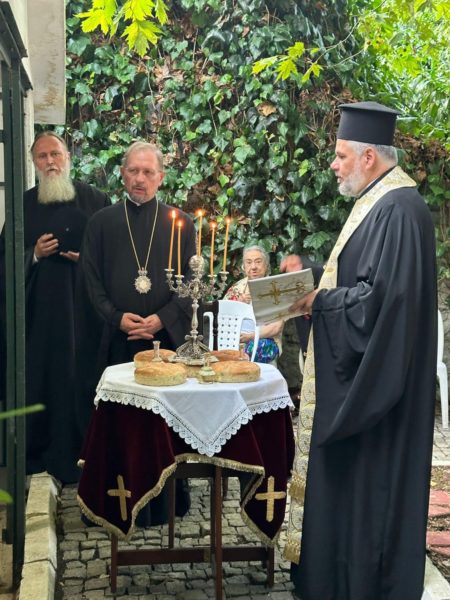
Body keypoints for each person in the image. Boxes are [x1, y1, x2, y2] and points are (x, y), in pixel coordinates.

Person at [283, 101, 437, 600]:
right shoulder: (382, 201)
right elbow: (367, 285)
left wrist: (319, 302)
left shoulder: (399, 210)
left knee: (370, 497)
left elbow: (379, 306)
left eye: (341, 155)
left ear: (369, 157)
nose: (334, 165)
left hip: (380, 405)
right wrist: (316, 287)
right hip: (373, 388)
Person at [78, 141, 196, 524]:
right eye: (133, 171)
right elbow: (90, 280)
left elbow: (192, 282)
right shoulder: (101, 223)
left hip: (165, 343)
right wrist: (115, 317)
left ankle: (167, 501)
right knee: (120, 427)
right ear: (122, 174)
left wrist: (162, 318)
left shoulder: (181, 223)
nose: (140, 179)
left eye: (148, 172)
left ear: (161, 177)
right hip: (117, 342)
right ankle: (117, 502)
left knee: (164, 426)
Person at [0, 131, 110, 484]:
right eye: (42, 156)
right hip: (39, 321)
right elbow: (4, 261)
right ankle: (39, 453)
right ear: (33, 163)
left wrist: (86, 259)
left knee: (82, 381)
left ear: (68, 157)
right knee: (43, 381)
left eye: (56, 154)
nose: (50, 162)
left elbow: (115, 256)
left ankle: (85, 452)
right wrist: (33, 254)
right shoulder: (21, 205)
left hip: (85, 317)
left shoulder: (96, 200)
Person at [224, 245, 283, 363]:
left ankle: (243, 364)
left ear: (266, 265)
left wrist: (250, 336)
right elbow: (223, 320)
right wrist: (239, 305)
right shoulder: (237, 288)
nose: (253, 267)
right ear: (244, 266)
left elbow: (276, 327)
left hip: (264, 340)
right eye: (249, 262)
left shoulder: (276, 289)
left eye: (258, 262)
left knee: (254, 347)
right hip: (236, 339)